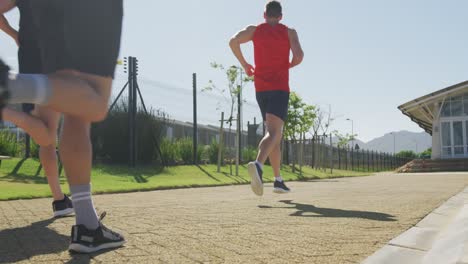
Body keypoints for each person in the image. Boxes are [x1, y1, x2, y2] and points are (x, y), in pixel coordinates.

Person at [0, 0, 125, 253]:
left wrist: (16, 34)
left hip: (44, 18)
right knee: (93, 103)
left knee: (76, 106)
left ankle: (88, 227)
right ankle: (7, 86)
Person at [0, 0, 72, 218]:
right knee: (49, 134)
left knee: (47, 138)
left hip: (30, 55)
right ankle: (4, 110)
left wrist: (15, 35)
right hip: (54, 58)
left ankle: (60, 200)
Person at [229, 0, 304, 196]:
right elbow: (299, 56)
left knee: (275, 135)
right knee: (273, 132)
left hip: (261, 88)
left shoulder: (254, 30)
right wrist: (287, 66)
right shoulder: (289, 32)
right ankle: (259, 165)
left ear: (264, 14)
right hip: (279, 88)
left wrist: (245, 64)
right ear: (280, 16)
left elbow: (233, 41)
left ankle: (278, 180)